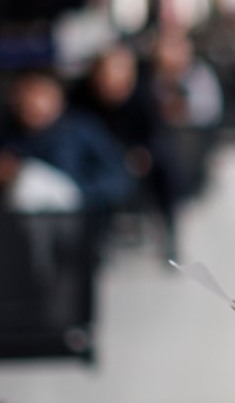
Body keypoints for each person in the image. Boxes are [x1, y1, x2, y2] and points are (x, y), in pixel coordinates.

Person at [73, 42, 184, 259]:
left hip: (137, 155)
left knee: (167, 168)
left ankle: (169, 230)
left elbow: (156, 134)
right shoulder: (81, 97)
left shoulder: (143, 95)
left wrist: (144, 154)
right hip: (97, 158)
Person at [0, 69, 134, 213]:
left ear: (57, 96)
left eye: (39, 93)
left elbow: (119, 179)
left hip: (78, 222)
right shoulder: (5, 134)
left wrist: (76, 192)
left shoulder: (82, 129)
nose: (31, 101)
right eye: (25, 94)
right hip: (19, 225)